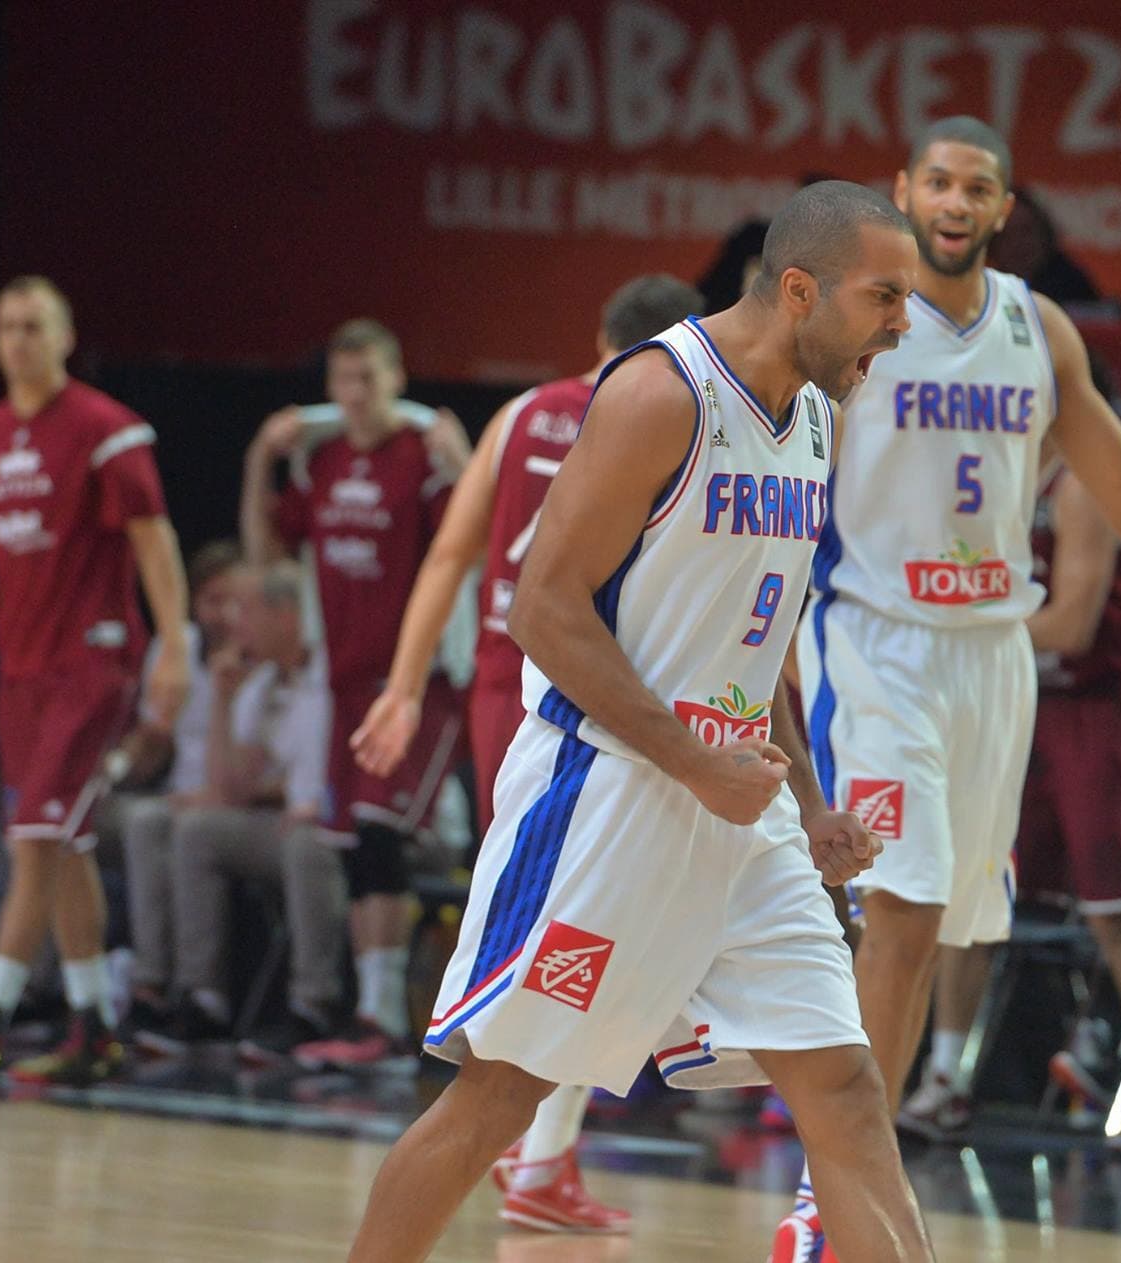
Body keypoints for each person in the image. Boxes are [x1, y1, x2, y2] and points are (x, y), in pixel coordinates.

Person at [343, 179, 919, 1263]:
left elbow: (761, 643)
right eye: (884, 297)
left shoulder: (815, 419)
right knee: (498, 1098)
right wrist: (690, 762)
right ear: (799, 289)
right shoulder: (661, 394)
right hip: (608, 790)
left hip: (741, 807)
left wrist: (805, 801)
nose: (900, 323)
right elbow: (543, 610)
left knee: (843, 1085)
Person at [783, 117, 1121, 1259]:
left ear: (1003, 204)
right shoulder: (860, 314)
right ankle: (830, 1205)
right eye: (936, 182)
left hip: (992, 653)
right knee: (904, 911)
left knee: (936, 935)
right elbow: (780, 462)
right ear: (903, 191)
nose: (955, 202)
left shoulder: (1039, 326)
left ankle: (850, 1189)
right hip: (875, 639)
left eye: (977, 185)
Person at [349, 272, 701, 1234]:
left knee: (564, 915)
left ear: (597, 328)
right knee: (586, 919)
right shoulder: (680, 418)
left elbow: (450, 555)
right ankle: (530, 1148)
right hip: (583, 694)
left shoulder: (517, 416)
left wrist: (406, 683)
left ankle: (537, 1150)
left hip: (504, 682)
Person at [0, 276, 191, 1087]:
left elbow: (154, 540)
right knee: (64, 846)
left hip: (91, 662)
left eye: (35, 325)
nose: (19, 340)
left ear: (64, 336)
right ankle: (95, 1024)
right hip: (19, 668)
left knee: (32, 837)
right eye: (7, 326)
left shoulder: (106, 430)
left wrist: (175, 645)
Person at [898, 454, 1121, 1149]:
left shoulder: (1082, 485)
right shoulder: (993, 475)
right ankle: (945, 1079)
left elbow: (1071, 626)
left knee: (1113, 913)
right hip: (1018, 703)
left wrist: (952, 622)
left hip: (1094, 710)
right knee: (970, 895)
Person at [240, 319, 468, 1070]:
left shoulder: (422, 460)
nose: (357, 395)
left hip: (412, 682)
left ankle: (382, 1014)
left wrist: (462, 463)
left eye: (370, 379)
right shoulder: (322, 460)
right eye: (344, 381)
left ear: (397, 379)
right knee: (356, 848)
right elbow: (265, 553)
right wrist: (257, 461)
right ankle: (371, 1012)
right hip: (342, 685)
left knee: (379, 832)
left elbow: (470, 543)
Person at [138, 562, 345, 1052]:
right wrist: (223, 702)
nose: (235, 623)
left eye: (245, 610)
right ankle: (202, 997)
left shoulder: (335, 674)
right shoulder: (263, 683)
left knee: (304, 842)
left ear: (287, 615)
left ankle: (313, 1005)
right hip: (289, 822)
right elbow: (229, 788)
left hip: (351, 827)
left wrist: (302, 801)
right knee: (199, 831)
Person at [115, 539, 246, 1036]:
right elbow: (153, 746)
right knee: (144, 820)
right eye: (214, 600)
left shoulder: (262, 660)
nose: (225, 614)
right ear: (194, 604)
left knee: (187, 830)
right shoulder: (176, 650)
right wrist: (124, 759)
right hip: (176, 796)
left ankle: (200, 992)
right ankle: (148, 984)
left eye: (235, 600)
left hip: (228, 804)